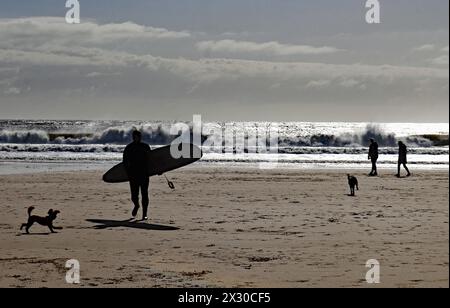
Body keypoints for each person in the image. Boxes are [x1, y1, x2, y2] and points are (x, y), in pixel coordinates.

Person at [123, 130, 151, 220]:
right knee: (134, 196)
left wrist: (159, 170)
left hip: (144, 174)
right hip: (133, 175)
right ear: (132, 137)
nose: (136, 138)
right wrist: (127, 174)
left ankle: (145, 214)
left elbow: (152, 161)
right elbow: (125, 162)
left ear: (140, 137)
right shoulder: (129, 148)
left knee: (144, 194)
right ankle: (136, 205)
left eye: (138, 136)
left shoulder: (145, 147)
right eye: (134, 137)